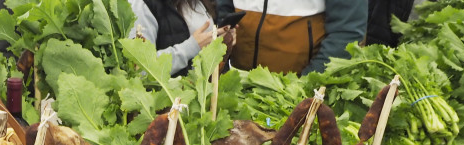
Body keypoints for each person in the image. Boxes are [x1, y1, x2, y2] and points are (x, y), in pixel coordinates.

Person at [215, 0, 367, 75]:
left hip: (299, 91)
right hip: (238, 80)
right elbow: (223, 8)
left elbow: (347, 31)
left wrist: (310, 81)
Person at [130, 0, 235, 76]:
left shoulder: (202, 3)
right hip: (166, 102)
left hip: (202, 97)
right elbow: (140, 70)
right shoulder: (141, 5)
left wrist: (222, 43)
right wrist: (192, 46)